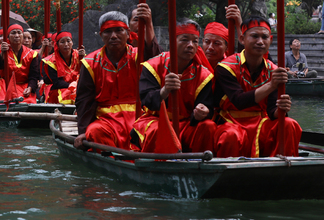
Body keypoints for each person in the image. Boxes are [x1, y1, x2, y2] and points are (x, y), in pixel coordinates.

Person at [214, 16, 302, 158]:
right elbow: (238, 100)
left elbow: (272, 110)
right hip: (231, 121)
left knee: (289, 124)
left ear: (271, 40)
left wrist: (282, 108)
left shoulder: (274, 70)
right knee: (231, 135)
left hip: (262, 122)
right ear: (242, 39)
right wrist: (272, 84)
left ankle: (284, 173)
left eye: (264, 37)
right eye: (254, 36)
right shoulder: (226, 67)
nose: (260, 41)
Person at [131, 19, 216, 153]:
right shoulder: (153, 65)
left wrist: (202, 112)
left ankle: (200, 166)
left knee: (208, 126)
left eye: (195, 41)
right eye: (184, 40)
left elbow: (207, 106)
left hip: (187, 123)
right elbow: (146, 99)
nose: (190, 45)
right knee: (158, 130)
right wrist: (164, 91)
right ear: (172, 41)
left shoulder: (203, 74)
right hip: (156, 120)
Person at [74, 11, 156, 151]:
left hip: (139, 116)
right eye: (108, 31)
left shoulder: (139, 56)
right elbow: (84, 99)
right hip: (106, 119)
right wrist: (82, 131)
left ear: (128, 33)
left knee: (156, 130)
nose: (113, 36)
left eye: (119, 30)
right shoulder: (90, 62)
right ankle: (113, 160)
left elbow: (155, 56)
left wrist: (148, 24)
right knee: (94, 132)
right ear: (101, 35)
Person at [0, 24, 40, 103]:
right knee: (2, 100)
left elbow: (34, 76)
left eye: (19, 33)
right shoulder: (2, 52)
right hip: (5, 86)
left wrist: (30, 87)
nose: (17, 35)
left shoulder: (32, 54)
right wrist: (2, 53)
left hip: (24, 86)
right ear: (8, 37)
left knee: (29, 100)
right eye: (13, 33)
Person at [40, 32, 85, 104]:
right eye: (62, 42)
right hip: (60, 88)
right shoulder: (51, 61)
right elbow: (57, 82)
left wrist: (83, 58)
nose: (66, 44)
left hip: (78, 87)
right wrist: (72, 86)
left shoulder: (78, 55)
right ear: (57, 45)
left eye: (68, 41)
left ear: (72, 42)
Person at [202, 4, 242, 69]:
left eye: (216, 43)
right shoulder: (194, 65)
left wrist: (238, 23)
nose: (210, 48)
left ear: (227, 47)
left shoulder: (231, 66)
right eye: (207, 42)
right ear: (203, 41)